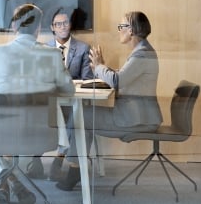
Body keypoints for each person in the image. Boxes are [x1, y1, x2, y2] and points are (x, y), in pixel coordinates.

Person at [0, 3, 75, 204]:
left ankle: (5, 177)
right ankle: (13, 183)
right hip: (41, 134)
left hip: (1, 131)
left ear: (14, 27)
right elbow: (69, 91)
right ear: (39, 28)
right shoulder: (53, 54)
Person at [56, 11, 163, 191]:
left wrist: (99, 67)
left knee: (81, 117)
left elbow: (117, 81)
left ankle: (72, 167)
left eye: (122, 27)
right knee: (82, 116)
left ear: (132, 30)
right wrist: (102, 67)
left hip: (135, 120)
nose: (119, 30)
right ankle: (74, 167)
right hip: (137, 116)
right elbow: (122, 77)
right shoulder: (142, 51)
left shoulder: (142, 54)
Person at [26, 7, 94, 180]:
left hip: (72, 101)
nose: (63, 26)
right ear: (52, 27)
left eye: (66, 22)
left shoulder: (83, 48)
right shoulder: (42, 48)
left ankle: (59, 158)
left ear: (70, 25)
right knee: (35, 114)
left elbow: (87, 79)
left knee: (76, 117)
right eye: (58, 24)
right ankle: (35, 159)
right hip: (49, 102)